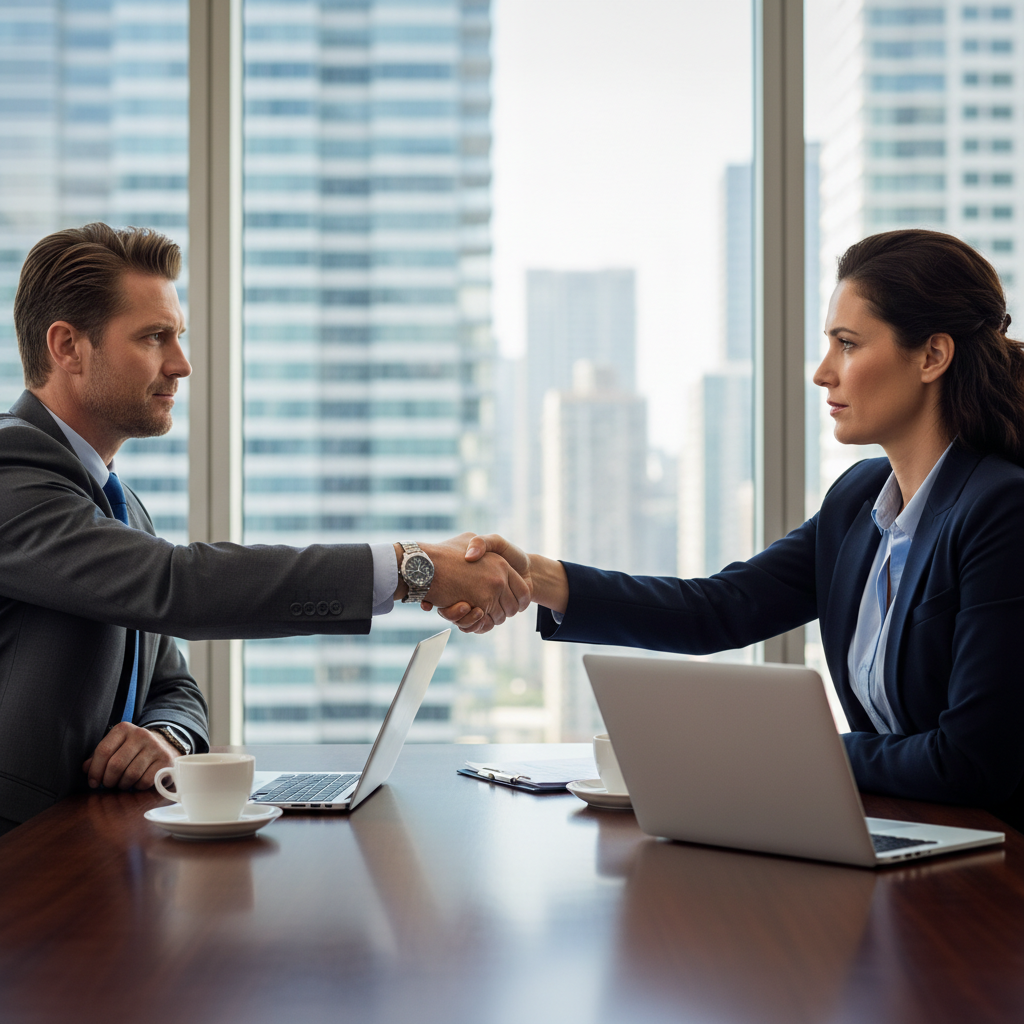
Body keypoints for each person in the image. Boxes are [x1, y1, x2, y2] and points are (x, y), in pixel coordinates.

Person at [438, 229, 1024, 830]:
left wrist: (788, 753)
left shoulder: (1000, 509)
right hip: (905, 831)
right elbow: (719, 608)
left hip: (995, 869)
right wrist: (534, 576)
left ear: (932, 356)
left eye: (847, 345)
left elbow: (973, 763)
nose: (823, 373)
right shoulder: (856, 503)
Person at [0, 222, 527, 834]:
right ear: (67, 347)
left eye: (179, 336)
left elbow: (175, 685)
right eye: (153, 337)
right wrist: (413, 569)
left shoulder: (120, 508)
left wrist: (164, 735)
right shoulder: (12, 473)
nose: (182, 363)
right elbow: (176, 588)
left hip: (89, 852)